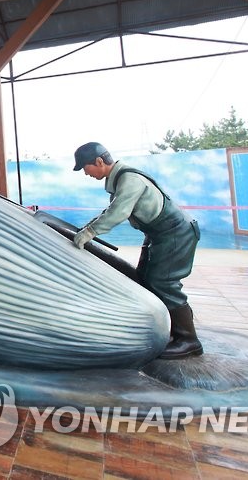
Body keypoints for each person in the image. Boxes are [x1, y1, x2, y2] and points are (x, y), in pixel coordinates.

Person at [71, 141, 203, 360]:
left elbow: (118, 212)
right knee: (146, 279)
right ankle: (168, 330)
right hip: (159, 234)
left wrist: (89, 233)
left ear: (99, 162)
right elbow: (111, 209)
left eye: (85, 168)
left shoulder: (130, 180)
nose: (86, 173)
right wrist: (87, 228)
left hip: (176, 234)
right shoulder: (122, 179)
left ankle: (189, 340)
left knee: (164, 282)